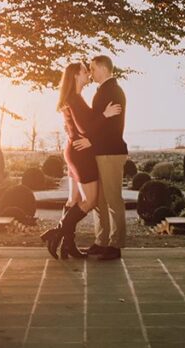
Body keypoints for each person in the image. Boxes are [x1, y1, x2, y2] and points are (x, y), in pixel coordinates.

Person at [40, 61, 121, 260]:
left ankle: (68, 245)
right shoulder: (74, 99)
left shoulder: (72, 98)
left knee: (73, 200)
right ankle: (57, 232)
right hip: (81, 153)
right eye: (86, 71)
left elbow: (75, 128)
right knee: (91, 200)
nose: (89, 74)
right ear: (76, 75)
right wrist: (105, 114)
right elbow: (85, 128)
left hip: (73, 150)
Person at [86, 55, 129, 261]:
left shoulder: (112, 91)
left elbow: (97, 125)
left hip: (110, 152)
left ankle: (115, 245)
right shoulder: (104, 91)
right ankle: (101, 241)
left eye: (92, 69)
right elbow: (96, 123)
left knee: (112, 200)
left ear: (103, 68)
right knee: (100, 200)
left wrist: (98, 119)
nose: (90, 72)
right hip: (102, 152)